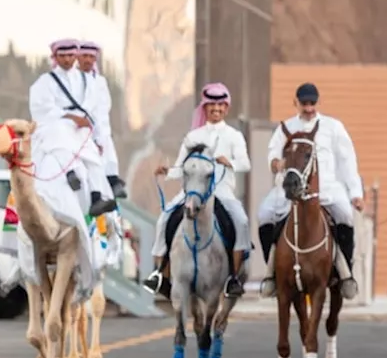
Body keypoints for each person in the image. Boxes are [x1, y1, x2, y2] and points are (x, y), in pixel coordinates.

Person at [143, 82, 251, 298]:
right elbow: (181, 166)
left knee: (242, 222)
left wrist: (228, 161)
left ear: (226, 108)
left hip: (221, 191)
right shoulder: (193, 136)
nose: (216, 110)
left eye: (220, 106)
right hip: (192, 191)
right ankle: (159, 273)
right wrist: (167, 170)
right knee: (164, 218)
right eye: (212, 106)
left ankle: (233, 277)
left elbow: (246, 164)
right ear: (205, 108)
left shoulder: (234, 136)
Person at [258, 82, 365, 298]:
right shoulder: (285, 127)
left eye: (312, 103)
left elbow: (347, 161)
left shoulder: (333, 127)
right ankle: (272, 272)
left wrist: (355, 193)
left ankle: (345, 274)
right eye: (304, 104)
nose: (308, 108)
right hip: (290, 192)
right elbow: (272, 154)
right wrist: (276, 164)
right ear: (295, 103)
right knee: (264, 215)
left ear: (318, 102)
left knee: (346, 216)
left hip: (326, 190)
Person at [26, 38, 117, 218]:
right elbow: (42, 108)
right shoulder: (45, 81)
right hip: (56, 125)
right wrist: (69, 117)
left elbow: (96, 112)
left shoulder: (88, 81)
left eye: (70, 55)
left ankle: (97, 196)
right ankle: (69, 173)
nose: (67, 60)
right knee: (59, 141)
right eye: (62, 56)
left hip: (82, 128)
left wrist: (98, 138)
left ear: (75, 56)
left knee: (94, 158)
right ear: (55, 57)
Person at [77, 40, 128, 199]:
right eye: (84, 56)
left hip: (99, 130)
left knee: (108, 151)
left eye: (91, 57)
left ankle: (112, 181)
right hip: (76, 130)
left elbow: (104, 108)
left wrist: (99, 135)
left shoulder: (100, 81)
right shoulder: (72, 80)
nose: (87, 60)